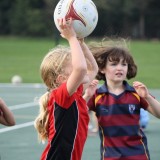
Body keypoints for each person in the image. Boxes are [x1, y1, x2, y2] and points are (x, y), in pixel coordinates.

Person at [83, 40, 160, 160]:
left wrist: (147, 97)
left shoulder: (137, 93)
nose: (120, 68)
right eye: (114, 64)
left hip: (138, 156)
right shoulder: (96, 95)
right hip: (110, 157)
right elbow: (75, 113)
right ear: (102, 69)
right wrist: (87, 95)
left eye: (124, 64)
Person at [34, 17, 98, 160]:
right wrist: (71, 38)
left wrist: (81, 44)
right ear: (62, 79)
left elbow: (93, 69)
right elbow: (81, 69)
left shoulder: (75, 93)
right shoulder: (61, 96)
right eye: (73, 69)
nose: (80, 67)